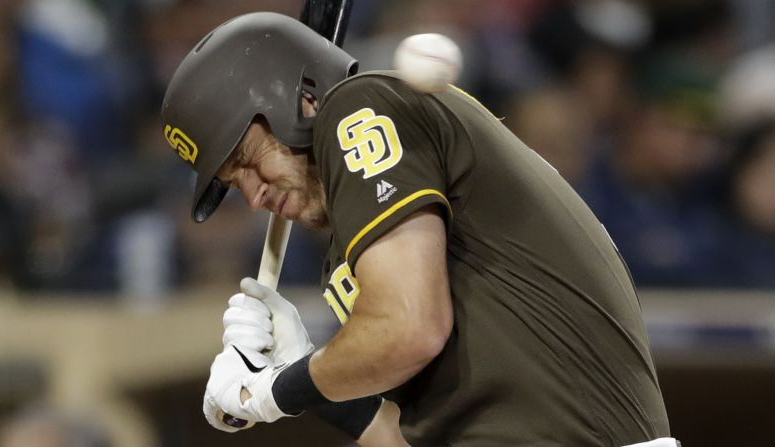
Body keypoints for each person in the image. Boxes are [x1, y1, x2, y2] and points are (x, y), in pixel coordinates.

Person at [160, 12, 675, 447]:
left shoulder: (359, 106)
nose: (253, 197)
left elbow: (411, 328)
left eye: (249, 161)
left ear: (303, 102)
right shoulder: (356, 248)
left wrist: (272, 392)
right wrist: (311, 376)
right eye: (235, 184)